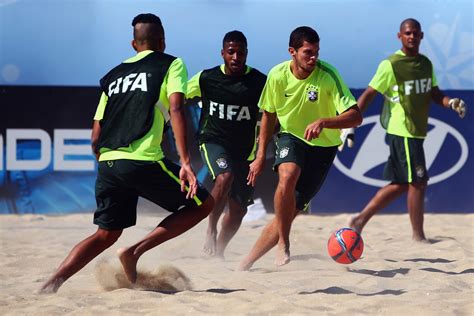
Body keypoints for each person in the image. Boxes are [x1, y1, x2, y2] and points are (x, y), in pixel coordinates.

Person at [40, 13, 214, 293]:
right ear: (163, 41)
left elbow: (96, 134)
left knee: (105, 234)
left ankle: (52, 284)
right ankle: (134, 251)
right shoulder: (171, 63)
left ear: (134, 44)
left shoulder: (113, 76)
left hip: (109, 162)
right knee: (204, 204)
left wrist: (108, 165)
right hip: (143, 159)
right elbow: (178, 109)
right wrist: (185, 161)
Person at [238, 26, 362, 270]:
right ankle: (284, 242)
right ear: (292, 52)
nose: (313, 58)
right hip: (291, 136)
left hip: (323, 149)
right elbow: (269, 115)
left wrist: (325, 121)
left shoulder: (327, 75)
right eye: (307, 52)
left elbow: (355, 116)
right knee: (287, 175)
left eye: (316, 52)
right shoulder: (277, 75)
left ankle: (244, 264)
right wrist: (260, 154)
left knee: (289, 213)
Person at [348, 18, 467, 241]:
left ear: (421, 36)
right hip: (403, 131)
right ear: (399, 36)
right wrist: (350, 122)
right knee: (418, 182)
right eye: (407, 33)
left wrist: (450, 102)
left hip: (416, 132)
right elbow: (368, 95)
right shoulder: (390, 64)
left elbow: (434, 93)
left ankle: (360, 219)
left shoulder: (425, 64)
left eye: (415, 33)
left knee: (402, 184)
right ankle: (418, 236)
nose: (411, 36)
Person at [186, 31, 267, 258]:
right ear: (222, 53)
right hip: (213, 140)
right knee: (224, 176)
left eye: (240, 53)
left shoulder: (260, 82)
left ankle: (219, 251)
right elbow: (176, 95)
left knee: (239, 210)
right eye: (231, 52)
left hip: (244, 151)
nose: (235, 57)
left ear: (246, 54)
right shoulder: (207, 78)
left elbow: (275, 110)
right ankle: (210, 228)